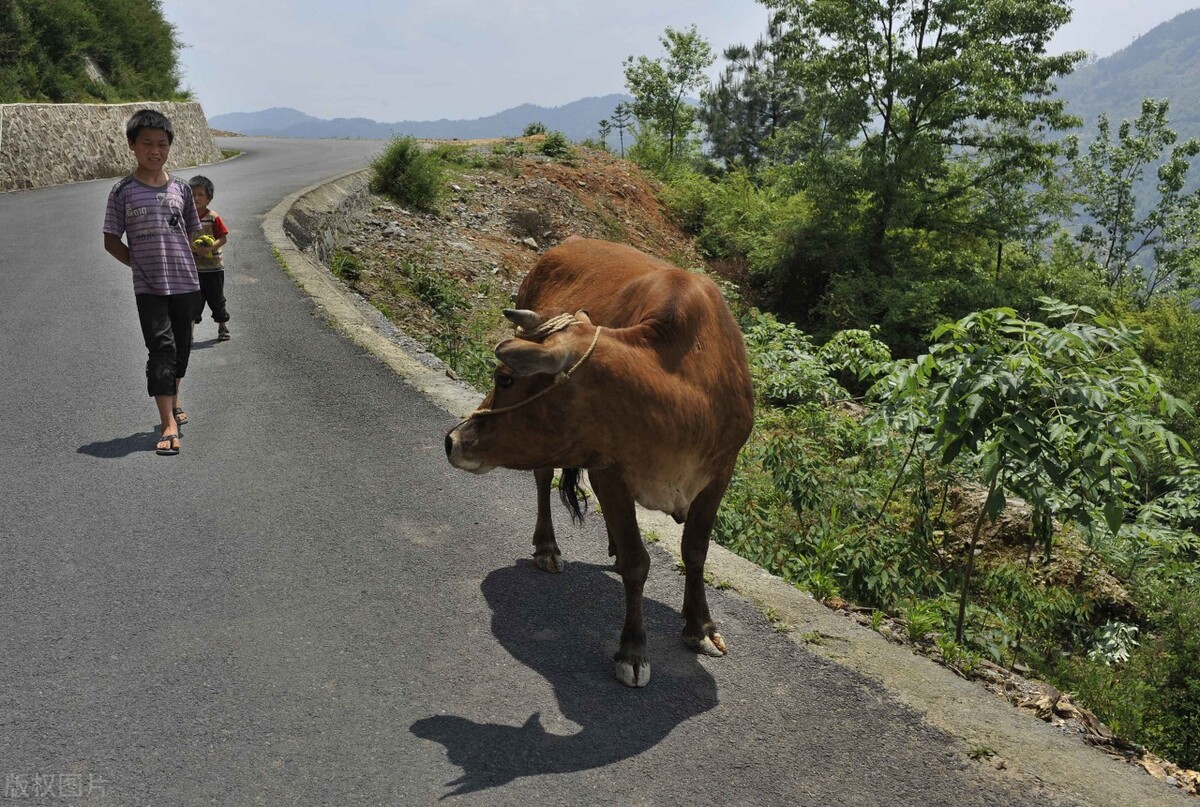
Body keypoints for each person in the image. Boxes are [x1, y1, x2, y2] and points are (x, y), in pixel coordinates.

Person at [102, 108, 204, 456]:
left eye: (162, 144)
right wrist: (139, 264)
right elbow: (111, 239)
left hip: (186, 283)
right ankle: (167, 422)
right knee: (161, 350)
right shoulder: (123, 192)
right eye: (147, 143)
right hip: (149, 289)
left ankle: (174, 397)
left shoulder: (181, 190)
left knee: (182, 351)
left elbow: (192, 231)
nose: (155, 150)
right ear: (132, 145)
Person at [187, 175, 231, 341]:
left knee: (217, 300)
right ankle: (189, 334)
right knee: (193, 302)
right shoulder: (186, 217)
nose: (196, 198)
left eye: (200, 195)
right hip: (193, 269)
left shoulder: (213, 217)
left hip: (214, 269)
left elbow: (223, 238)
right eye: (192, 195)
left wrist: (209, 249)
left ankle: (222, 326)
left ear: (209, 198)